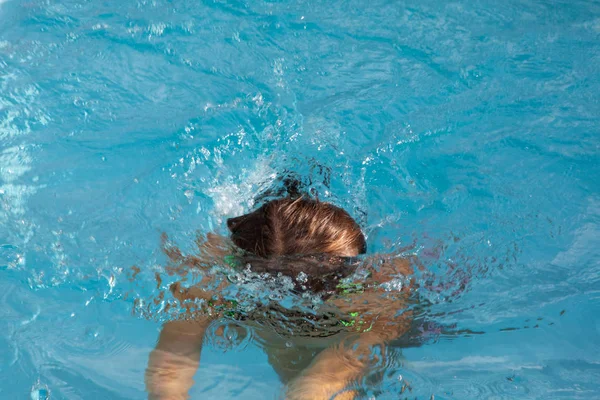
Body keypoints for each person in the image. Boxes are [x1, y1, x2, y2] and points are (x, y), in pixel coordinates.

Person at [144, 195, 414, 400]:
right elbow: (174, 352)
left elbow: (345, 363)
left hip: (347, 333)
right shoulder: (206, 272)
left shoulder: (378, 284)